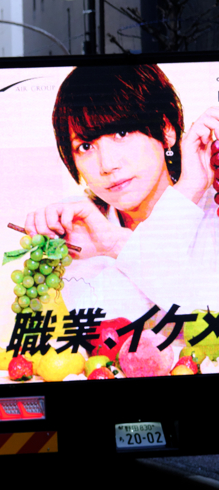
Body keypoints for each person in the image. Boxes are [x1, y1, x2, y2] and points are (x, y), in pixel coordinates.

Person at [23, 64, 219, 322]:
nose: (107, 165)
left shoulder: (212, 208)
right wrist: (112, 242)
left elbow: (207, 317)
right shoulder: (84, 230)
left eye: (122, 132)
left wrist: (118, 244)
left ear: (167, 129)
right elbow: (112, 337)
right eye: (85, 146)